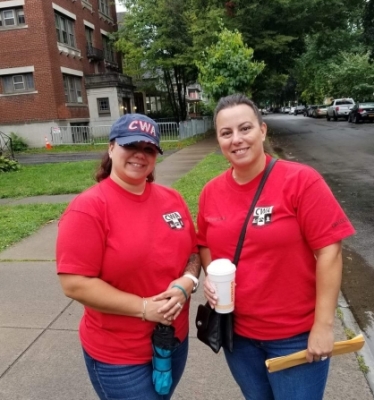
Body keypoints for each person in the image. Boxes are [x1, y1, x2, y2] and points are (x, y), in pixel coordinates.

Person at [197, 94, 355, 400]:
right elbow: (204, 244)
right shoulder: (211, 192)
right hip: (239, 337)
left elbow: (329, 252)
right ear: (218, 139)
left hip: (294, 337)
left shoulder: (300, 181)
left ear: (263, 131)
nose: (237, 140)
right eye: (226, 133)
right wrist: (212, 278)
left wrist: (323, 326)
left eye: (245, 129)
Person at [56, 113, 201, 400]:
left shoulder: (173, 199)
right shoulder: (88, 208)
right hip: (119, 357)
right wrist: (145, 307)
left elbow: (193, 254)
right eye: (130, 145)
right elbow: (74, 283)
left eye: (148, 148)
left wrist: (186, 283)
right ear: (111, 148)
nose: (140, 154)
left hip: (173, 340)